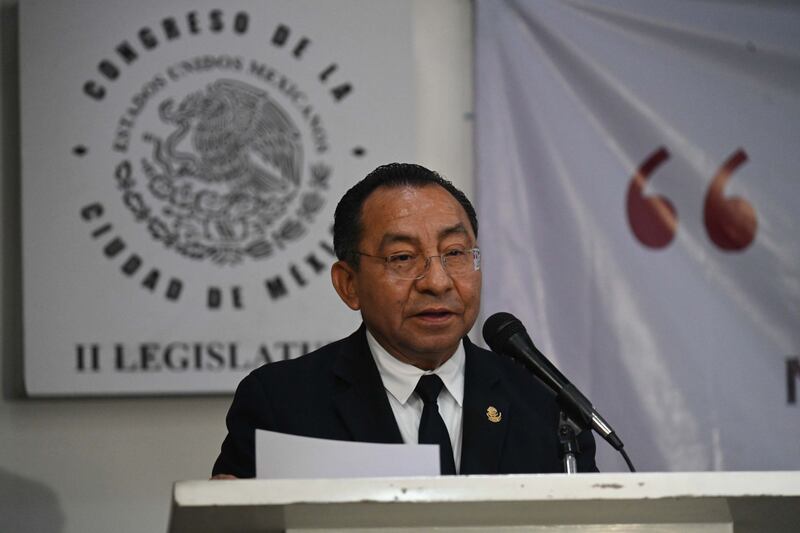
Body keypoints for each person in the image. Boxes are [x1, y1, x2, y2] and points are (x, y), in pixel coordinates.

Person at [212, 163, 597, 478]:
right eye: (402, 257)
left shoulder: (546, 406)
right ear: (349, 285)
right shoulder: (281, 404)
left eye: (456, 253)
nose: (437, 281)